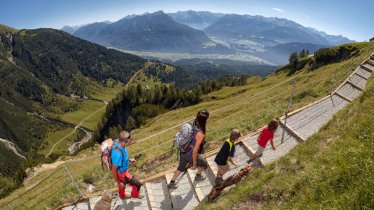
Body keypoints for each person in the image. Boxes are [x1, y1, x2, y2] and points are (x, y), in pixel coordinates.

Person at [168, 109, 210, 188]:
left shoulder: (192, 124)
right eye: (207, 118)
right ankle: (198, 175)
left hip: (183, 151)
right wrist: (194, 163)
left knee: (180, 167)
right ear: (205, 120)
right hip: (190, 153)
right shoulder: (200, 134)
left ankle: (172, 182)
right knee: (203, 164)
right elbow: (195, 151)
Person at [111, 131, 143, 199]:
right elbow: (113, 171)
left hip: (122, 171)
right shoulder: (117, 154)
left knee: (123, 183)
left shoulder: (118, 142)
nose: (131, 141)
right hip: (122, 173)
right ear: (123, 141)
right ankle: (135, 195)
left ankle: (122, 195)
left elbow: (123, 154)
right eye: (129, 140)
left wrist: (129, 160)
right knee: (137, 184)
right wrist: (119, 183)